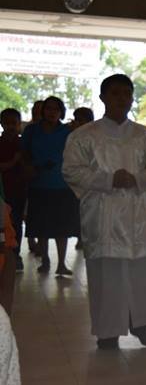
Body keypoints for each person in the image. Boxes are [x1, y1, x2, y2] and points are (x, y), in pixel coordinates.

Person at [62, 74, 146, 350]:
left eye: (126, 93)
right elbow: (71, 170)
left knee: (142, 270)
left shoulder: (145, 136)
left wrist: (135, 178)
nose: (121, 99)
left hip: (138, 214)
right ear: (102, 98)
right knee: (106, 273)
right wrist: (109, 179)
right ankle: (108, 330)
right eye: (115, 94)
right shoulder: (84, 136)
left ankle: (142, 323)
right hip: (103, 213)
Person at [21, 97, 80, 276]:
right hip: (38, 184)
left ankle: (61, 263)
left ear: (61, 112)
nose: (52, 112)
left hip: (63, 186)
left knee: (62, 228)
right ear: (42, 111)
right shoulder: (32, 131)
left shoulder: (68, 131)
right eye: (48, 108)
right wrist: (31, 168)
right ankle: (45, 260)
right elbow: (24, 153)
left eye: (56, 109)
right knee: (42, 227)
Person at [0, 110, 26, 271]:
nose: (11, 126)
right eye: (7, 123)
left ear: (19, 124)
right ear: (2, 124)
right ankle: (4, 254)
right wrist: (12, 162)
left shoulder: (23, 144)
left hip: (19, 190)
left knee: (16, 223)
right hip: (2, 192)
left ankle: (15, 254)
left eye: (14, 123)